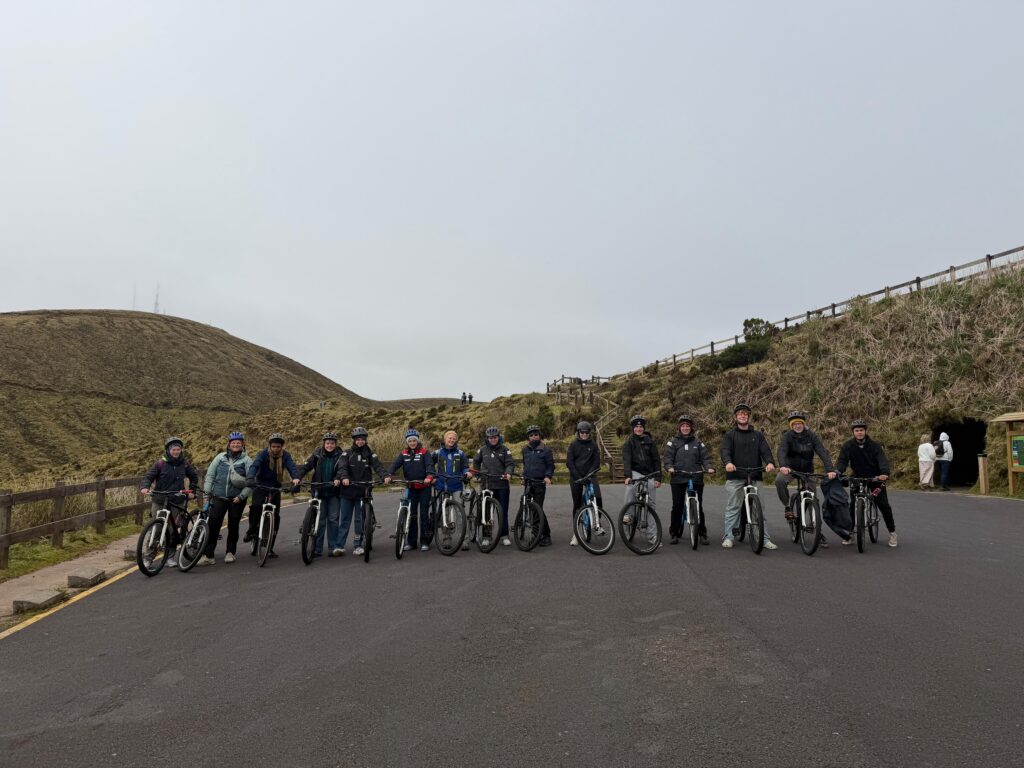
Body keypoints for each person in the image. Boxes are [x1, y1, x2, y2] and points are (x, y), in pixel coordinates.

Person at [719, 403, 778, 549]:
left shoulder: (757, 435)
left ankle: (763, 539)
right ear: (736, 417)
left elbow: (765, 451)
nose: (743, 416)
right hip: (736, 476)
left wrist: (770, 462)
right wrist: (728, 463)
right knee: (733, 507)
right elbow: (725, 451)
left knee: (759, 509)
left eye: (745, 414)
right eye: (740, 414)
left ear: (749, 417)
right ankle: (729, 536)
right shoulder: (730, 435)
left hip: (755, 475)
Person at [775, 410, 838, 545]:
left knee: (812, 499)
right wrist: (783, 466)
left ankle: (817, 531)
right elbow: (782, 451)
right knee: (779, 480)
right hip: (790, 469)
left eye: (800, 423)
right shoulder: (787, 436)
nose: (798, 425)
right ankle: (787, 507)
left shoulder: (811, 436)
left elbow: (822, 452)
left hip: (807, 471)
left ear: (803, 424)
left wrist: (830, 470)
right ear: (792, 425)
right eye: (795, 423)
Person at [837, 419, 898, 547]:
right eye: (857, 430)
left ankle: (892, 533)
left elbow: (882, 460)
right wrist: (838, 472)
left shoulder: (874, 446)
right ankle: (849, 534)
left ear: (865, 431)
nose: (859, 433)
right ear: (853, 432)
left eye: (861, 430)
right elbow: (842, 461)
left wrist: (884, 473)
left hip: (875, 478)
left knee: (883, 505)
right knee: (852, 505)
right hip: (858, 478)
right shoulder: (848, 446)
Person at [140, 436, 200, 568]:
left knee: (172, 530)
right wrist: (145, 487)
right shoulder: (160, 464)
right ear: (168, 450)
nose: (176, 451)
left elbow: (194, 477)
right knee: (156, 529)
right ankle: (148, 558)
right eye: (173, 449)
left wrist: (192, 491)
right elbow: (149, 476)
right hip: (160, 500)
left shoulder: (184, 463)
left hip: (176, 500)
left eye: (178, 449)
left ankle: (170, 556)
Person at [244, 433, 301, 557]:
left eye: (278, 446)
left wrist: (295, 478)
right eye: (274, 446)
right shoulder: (262, 454)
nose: (276, 449)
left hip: (275, 487)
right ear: (269, 446)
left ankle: (269, 547)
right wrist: (250, 477)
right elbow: (255, 466)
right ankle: (251, 531)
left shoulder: (285, 456)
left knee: (275, 517)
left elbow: (292, 467)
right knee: (256, 507)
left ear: (282, 447)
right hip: (261, 485)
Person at [199, 431, 252, 565]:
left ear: (243, 445)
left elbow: (252, 482)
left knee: (233, 526)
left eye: (238, 443)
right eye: (233, 443)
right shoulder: (220, 458)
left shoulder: (247, 460)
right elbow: (210, 475)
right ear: (229, 445)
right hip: (218, 497)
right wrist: (207, 493)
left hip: (236, 499)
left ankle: (230, 552)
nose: (235, 445)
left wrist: (241, 496)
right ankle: (208, 555)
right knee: (213, 525)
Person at [337, 427, 389, 556]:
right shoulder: (347, 453)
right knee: (344, 519)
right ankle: (339, 546)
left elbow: (378, 466)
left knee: (359, 520)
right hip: (347, 492)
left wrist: (385, 476)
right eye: (358, 439)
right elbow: (342, 467)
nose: (360, 441)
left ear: (365, 440)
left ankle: (358, 545)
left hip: (363, 491)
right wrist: (344, 477)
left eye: (362, 439)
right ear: (354, 440)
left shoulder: (370, 454)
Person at [663, 415, 714, 545]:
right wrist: (669, 467)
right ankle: (674, 532)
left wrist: (709, 468)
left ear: (691, 428)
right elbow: (668, 457)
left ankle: (702, 533)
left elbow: (705, 458)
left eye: (687, 426)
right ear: (679, 427)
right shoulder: (673, 442)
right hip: (678, 477)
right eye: (683, 426)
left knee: (698, 506)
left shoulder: (698, 443)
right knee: (677, 506)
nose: (685, 428)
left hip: (696, 476)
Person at [296, 432, 346, 557]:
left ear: (335, 444)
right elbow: (306, 467)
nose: (330, 445)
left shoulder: (340, 455)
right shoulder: (317, 455)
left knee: (333, 520)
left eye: (332, 443)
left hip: (334, 492)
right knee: (320, 521)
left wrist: (338, 478)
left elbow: (343, 469)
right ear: (324, 444)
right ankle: (317, 549)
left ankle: (332, 547)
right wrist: (298, 477)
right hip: (319, 491)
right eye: (327, 443)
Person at [388, 429, 436, 551]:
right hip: (411, 487)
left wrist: (429, 476)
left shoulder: (425, 452)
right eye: (410, 441)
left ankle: (424, 542)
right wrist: (388, 474)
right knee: (412, 515)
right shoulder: (403, 453)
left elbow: (430, 466)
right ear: (407, 442)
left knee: (424, 515)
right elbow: (394, 465)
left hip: (424, 488)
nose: (412, 443)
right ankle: (411, 542)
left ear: (417, 441)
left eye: (414, 440)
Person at [621, 415, 663, 546]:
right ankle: (628, 521)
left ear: (643, 428)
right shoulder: (629, 443)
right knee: (631, 490)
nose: (638, 429)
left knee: (651, 505)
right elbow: (627, 460)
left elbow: (656, 460)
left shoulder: (650, 442)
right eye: (636, 427)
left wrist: (658, 477)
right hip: (635, 472)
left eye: (641, 427)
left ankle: (653, 535)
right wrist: (628, 476)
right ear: (633, 428)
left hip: (650, 474)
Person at [472, 426, 515, 546]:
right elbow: (476, 462)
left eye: (495, 437)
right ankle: (486, 536)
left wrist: (508, 473)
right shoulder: (482, 450)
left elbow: (510, 464)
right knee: (486, 511)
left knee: (503, 511)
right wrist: (477, 474)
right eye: (491, 438)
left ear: (498, 437)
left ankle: (504, 535)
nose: (493, 439)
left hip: (502, 484)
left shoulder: (505, 450)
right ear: (487, 438)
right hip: (486, 484)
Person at [433, 430, 473, 549]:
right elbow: (429, 466)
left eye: (454, 438)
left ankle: (464, 540)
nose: (451, 440)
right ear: (444, 439)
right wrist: (432, 477)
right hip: (442, 486)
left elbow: (465, 467)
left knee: (461, 514)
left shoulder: (460, 453)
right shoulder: (437, 453)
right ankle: (446, 539)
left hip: (457, 486)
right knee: (444, 514)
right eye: (449, 438)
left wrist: (467, 473)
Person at [566, 421, 603, 546]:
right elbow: (569, 462)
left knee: (597, 498)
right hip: (576, 477)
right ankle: (575, 534)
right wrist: (578, 476)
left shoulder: (593, 445)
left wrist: (589, 474)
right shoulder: (573, 445)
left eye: (586, 432)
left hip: (590, 475)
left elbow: (596, 462)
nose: (584, 435)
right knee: (577, 504)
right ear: (578, 432)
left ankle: (597, 523)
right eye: (582, 432)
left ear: (589, 433)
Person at [521, 425, 555, 547]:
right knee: (529, 507)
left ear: (539, 435)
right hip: (528, 482)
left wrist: (547, 476)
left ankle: (544, 535)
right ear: (528, 437)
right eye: (531, 435)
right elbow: (525, 465)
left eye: (536, 434)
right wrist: (523, 476)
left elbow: (550, 466)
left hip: (540, 483)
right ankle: (537, 532)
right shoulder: (525, 449)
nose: (534, 437)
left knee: (537, 509)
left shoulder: (546, 450)